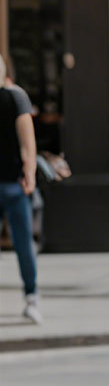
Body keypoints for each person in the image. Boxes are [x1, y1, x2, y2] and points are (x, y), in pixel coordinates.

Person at [0, 54, 42, 324]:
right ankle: (32, 297)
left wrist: (29, 173)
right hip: (12, 181)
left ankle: (32, 297)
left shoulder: (15, 97)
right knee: (23, 242)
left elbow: (27, 141)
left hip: (15, 183)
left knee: (24, 243)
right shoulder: (17, 97)